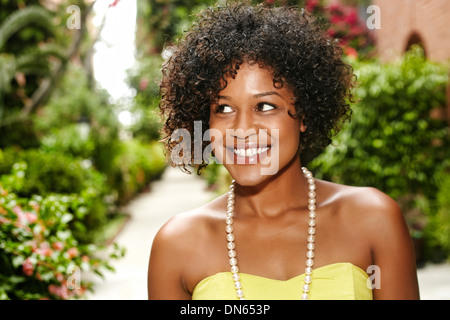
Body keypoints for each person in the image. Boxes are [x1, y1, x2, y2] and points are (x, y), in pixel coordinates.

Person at [147, 2, 420, 300]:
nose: (242, 130)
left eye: (264, 106)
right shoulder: (177, 245)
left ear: (303, 114)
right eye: (223, 108)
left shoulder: (373, 219)